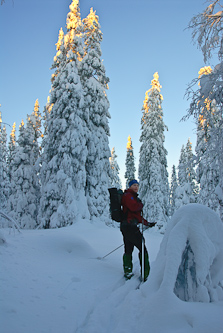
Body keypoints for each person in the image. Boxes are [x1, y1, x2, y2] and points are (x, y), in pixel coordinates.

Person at [120, 179, 156, 281]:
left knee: (128, 248)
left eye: (137, 185)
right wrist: (140, 204)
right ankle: (146, 274)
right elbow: (133, 207)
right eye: (134, 185)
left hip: (127, 227)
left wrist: (147, 223)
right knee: (142, 248)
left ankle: (128, 272)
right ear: (130, 186)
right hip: (129, 227)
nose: (136, 187)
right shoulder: (128, 196)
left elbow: (137, 216)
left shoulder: (132, 197)